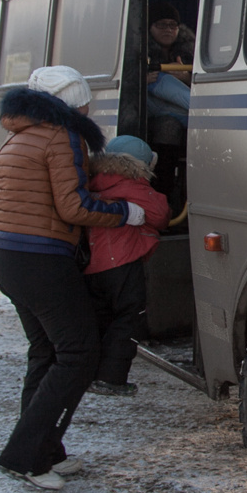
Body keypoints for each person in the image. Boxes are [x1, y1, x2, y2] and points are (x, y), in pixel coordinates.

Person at [0, 65, 146, 491]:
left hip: (4, 254)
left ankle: (44, 451)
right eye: (86, 98)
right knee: (78, 351)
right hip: (39, 258)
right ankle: (25, 457)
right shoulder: (64, 135)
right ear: (74, 102)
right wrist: (124, 212)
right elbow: (72, 207)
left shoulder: (21, 133)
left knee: (45, 350)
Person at [83, 135, 171, 397]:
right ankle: (112, 378)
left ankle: (92, 373)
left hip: (92, 265)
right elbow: (161, 216)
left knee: (102, 319)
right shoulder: (133, 186)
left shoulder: (93, 182)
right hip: (122, 263)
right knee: (129, 319)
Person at [146, 3, 194, 126]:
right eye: (161, 25)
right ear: (150, 27)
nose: (168, 29)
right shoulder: (138, 52)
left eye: (173, 25)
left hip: (178, 111)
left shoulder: (190, 52)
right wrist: (140, 82)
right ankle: (202, 108)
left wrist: (187, 78)